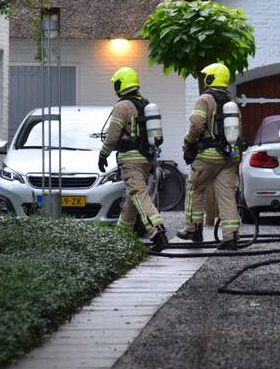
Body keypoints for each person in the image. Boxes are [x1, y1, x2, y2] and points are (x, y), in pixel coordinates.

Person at [177, 62, 245, 249]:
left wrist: (188, 140)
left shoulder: (205, 99)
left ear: (211, 78)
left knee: (194, 188)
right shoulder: (232, 103)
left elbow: (197, 125)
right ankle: (230, 238)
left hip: (209, 156)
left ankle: (193, 230)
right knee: (227, 196)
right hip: (230, 157)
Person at [98, 66, 168, 252]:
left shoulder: (122, 106)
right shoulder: (145, 104)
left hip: (130, 159)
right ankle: (122, 236)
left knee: (138, 194)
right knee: (133, 196)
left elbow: (113, 136)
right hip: (147, 159)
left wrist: (103, 154)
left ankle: (157, 231)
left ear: (122, 84)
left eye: (117, 83)